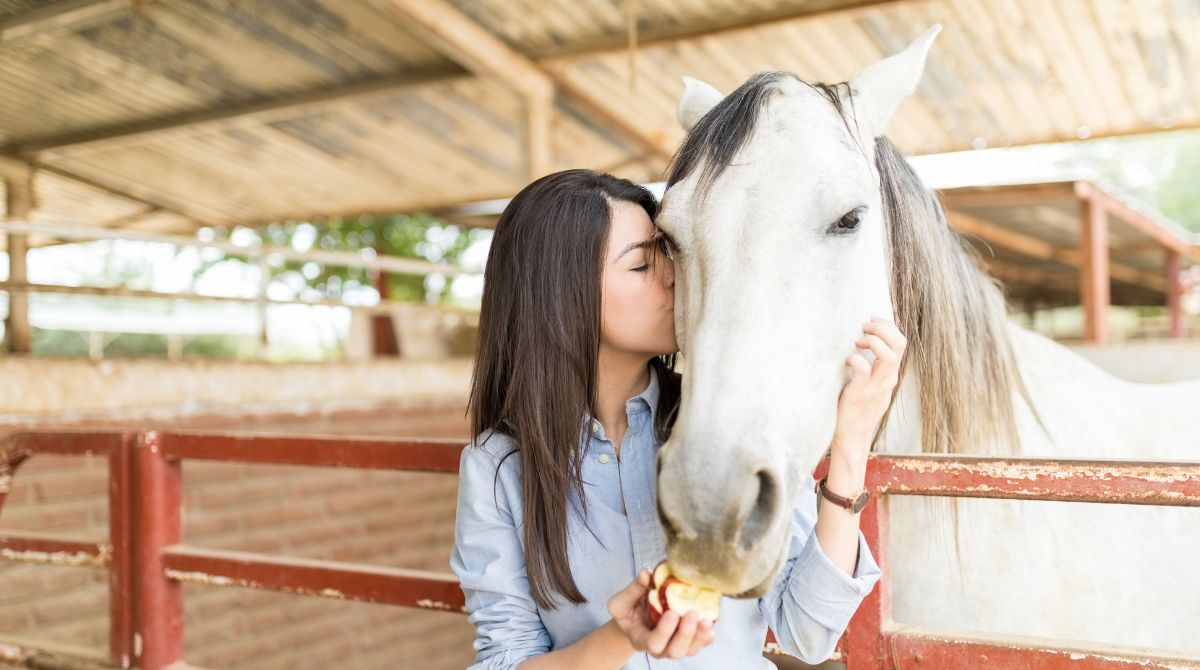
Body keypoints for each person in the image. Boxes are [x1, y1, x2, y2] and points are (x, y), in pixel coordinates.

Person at [451, 169, 906, 669]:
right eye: (643, 264)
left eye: (667, 253)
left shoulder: (736, 420)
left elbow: (808, 632)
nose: (674, 274)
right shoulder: (498, 468)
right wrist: (624, 635)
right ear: (563, 295)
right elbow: (503, 661)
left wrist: (851, 442)